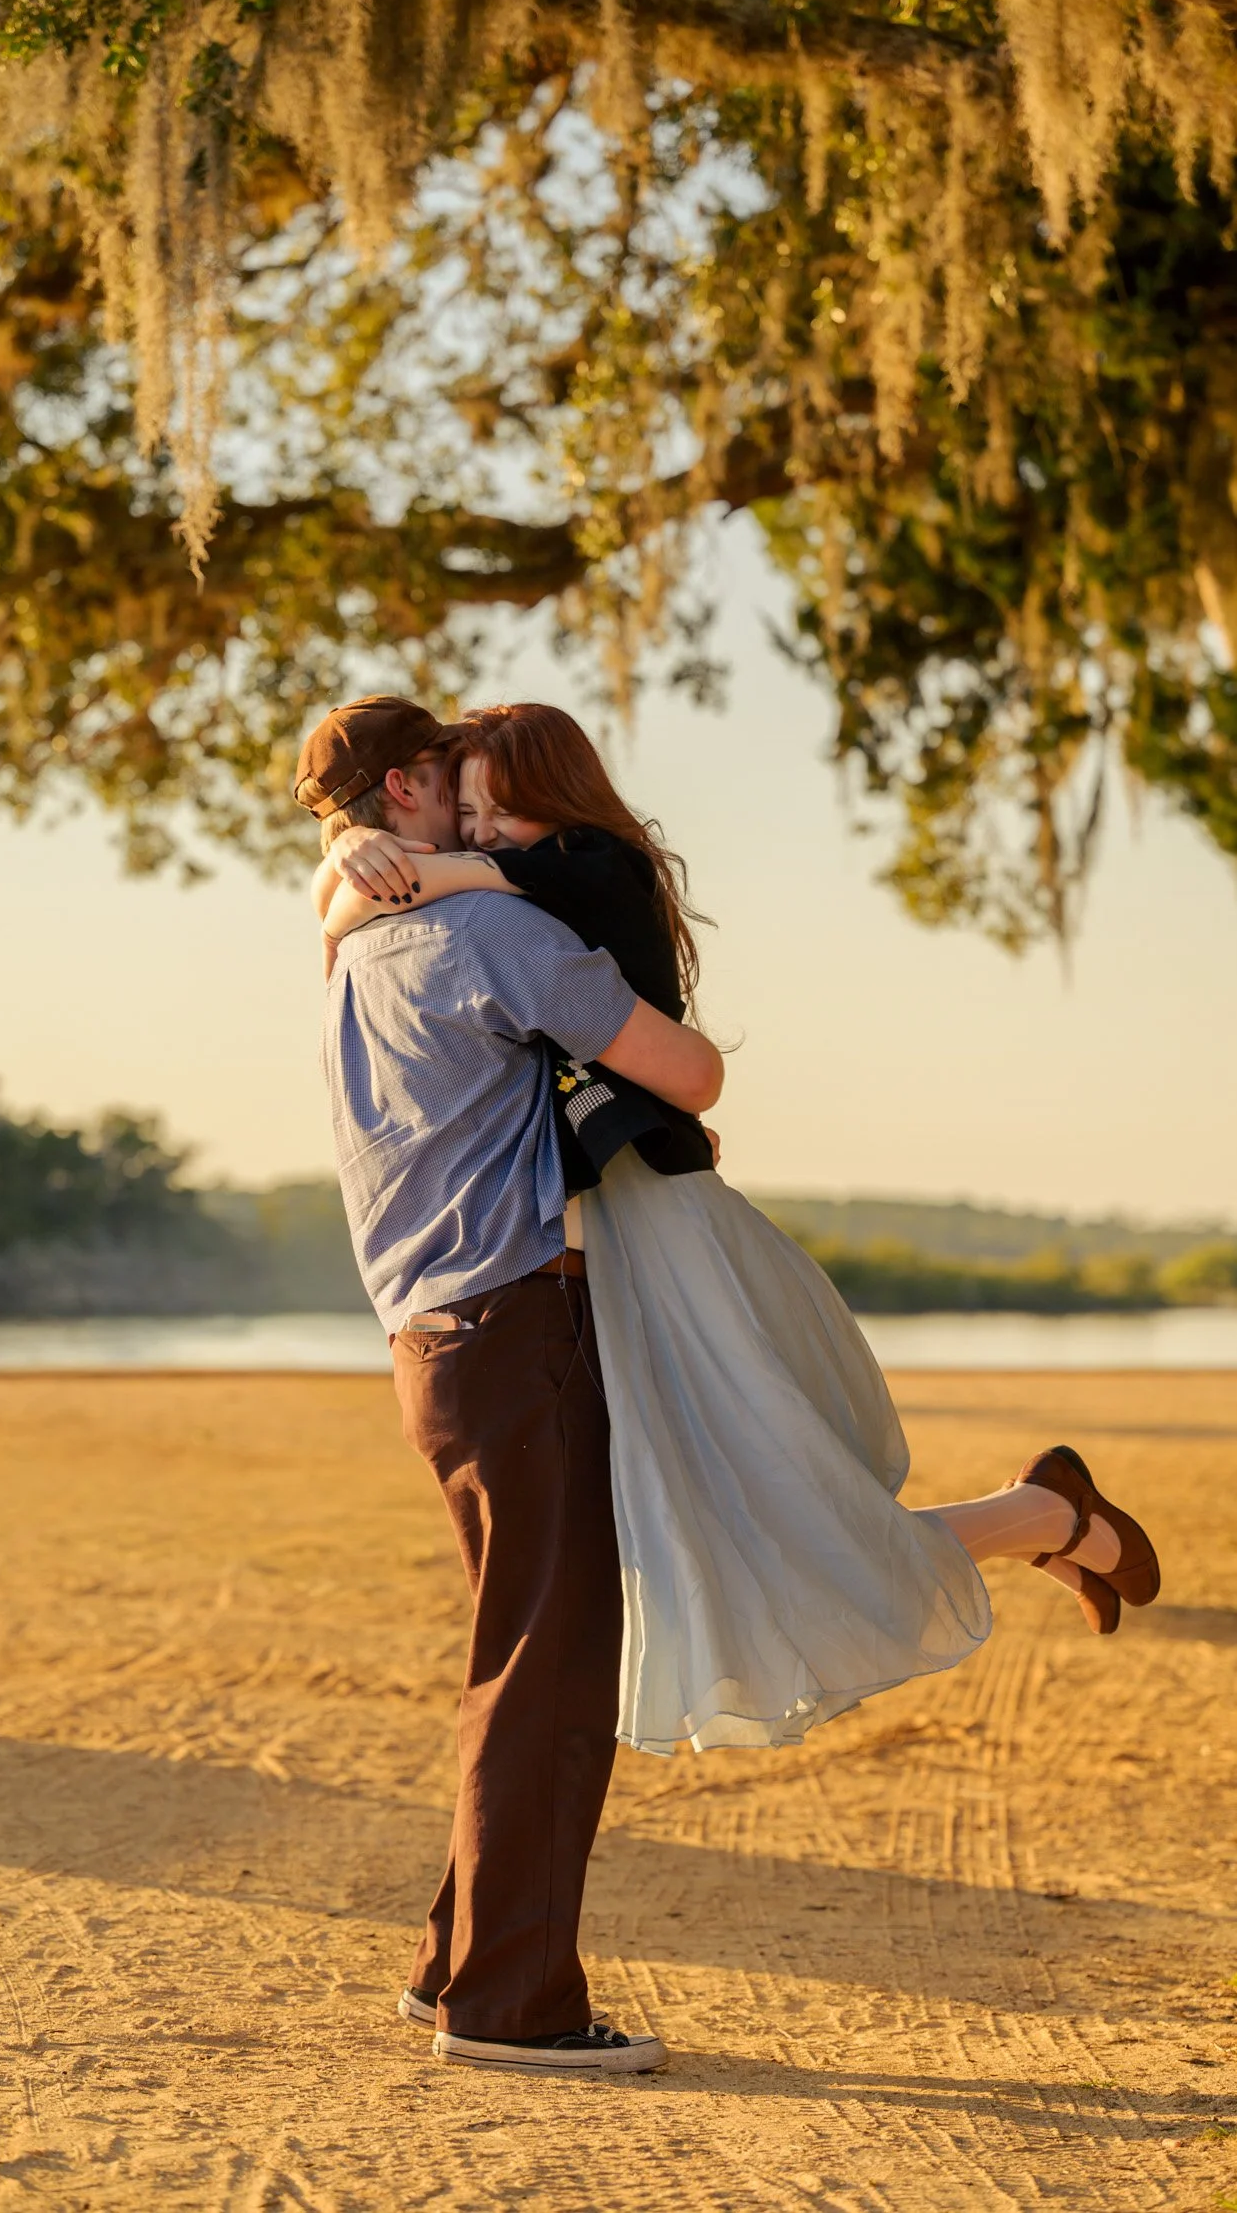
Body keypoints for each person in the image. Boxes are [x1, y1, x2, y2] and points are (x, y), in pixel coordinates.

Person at [316, 700, 1162, 1767]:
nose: (477, 833)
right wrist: (354, 851)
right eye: (466, 809)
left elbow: (457, 913)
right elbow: (362, 905)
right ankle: (1046, 1514)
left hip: (650, 1225)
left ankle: (1045, 1514)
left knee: (769, 1521)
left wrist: (365, 861)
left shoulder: (582, 866)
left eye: (491, 810)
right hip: (603, 1234)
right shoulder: (498, 894)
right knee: (732, 1532)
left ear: (545, 799)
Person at [295, 693, 726, 2077]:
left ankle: (452, 1968)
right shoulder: (494, 931)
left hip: (425, 1340)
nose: (474, 819)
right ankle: (514, 2004)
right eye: (456, 795)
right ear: (417, 782)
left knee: (511, 1662)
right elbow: (694, 1070)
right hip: (520, 1325)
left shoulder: (352, 952)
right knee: (549, 1675)